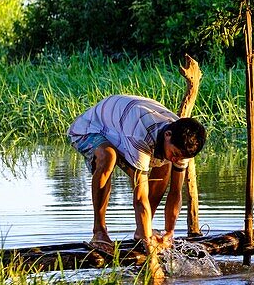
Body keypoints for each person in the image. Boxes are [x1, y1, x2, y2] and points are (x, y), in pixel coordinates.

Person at [68, 59, 205, 252]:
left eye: (179, 157)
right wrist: (151, 250)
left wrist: (169, 233)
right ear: (167, 135)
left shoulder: (183, 143)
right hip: (91, 128)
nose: (176, 159)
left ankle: (143, 230)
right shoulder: (140, 133)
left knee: (163, 166)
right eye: (174, 154)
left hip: (121, 129)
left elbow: (175, 192)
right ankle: (99, 231)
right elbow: (140, 196)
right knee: (108, 157)